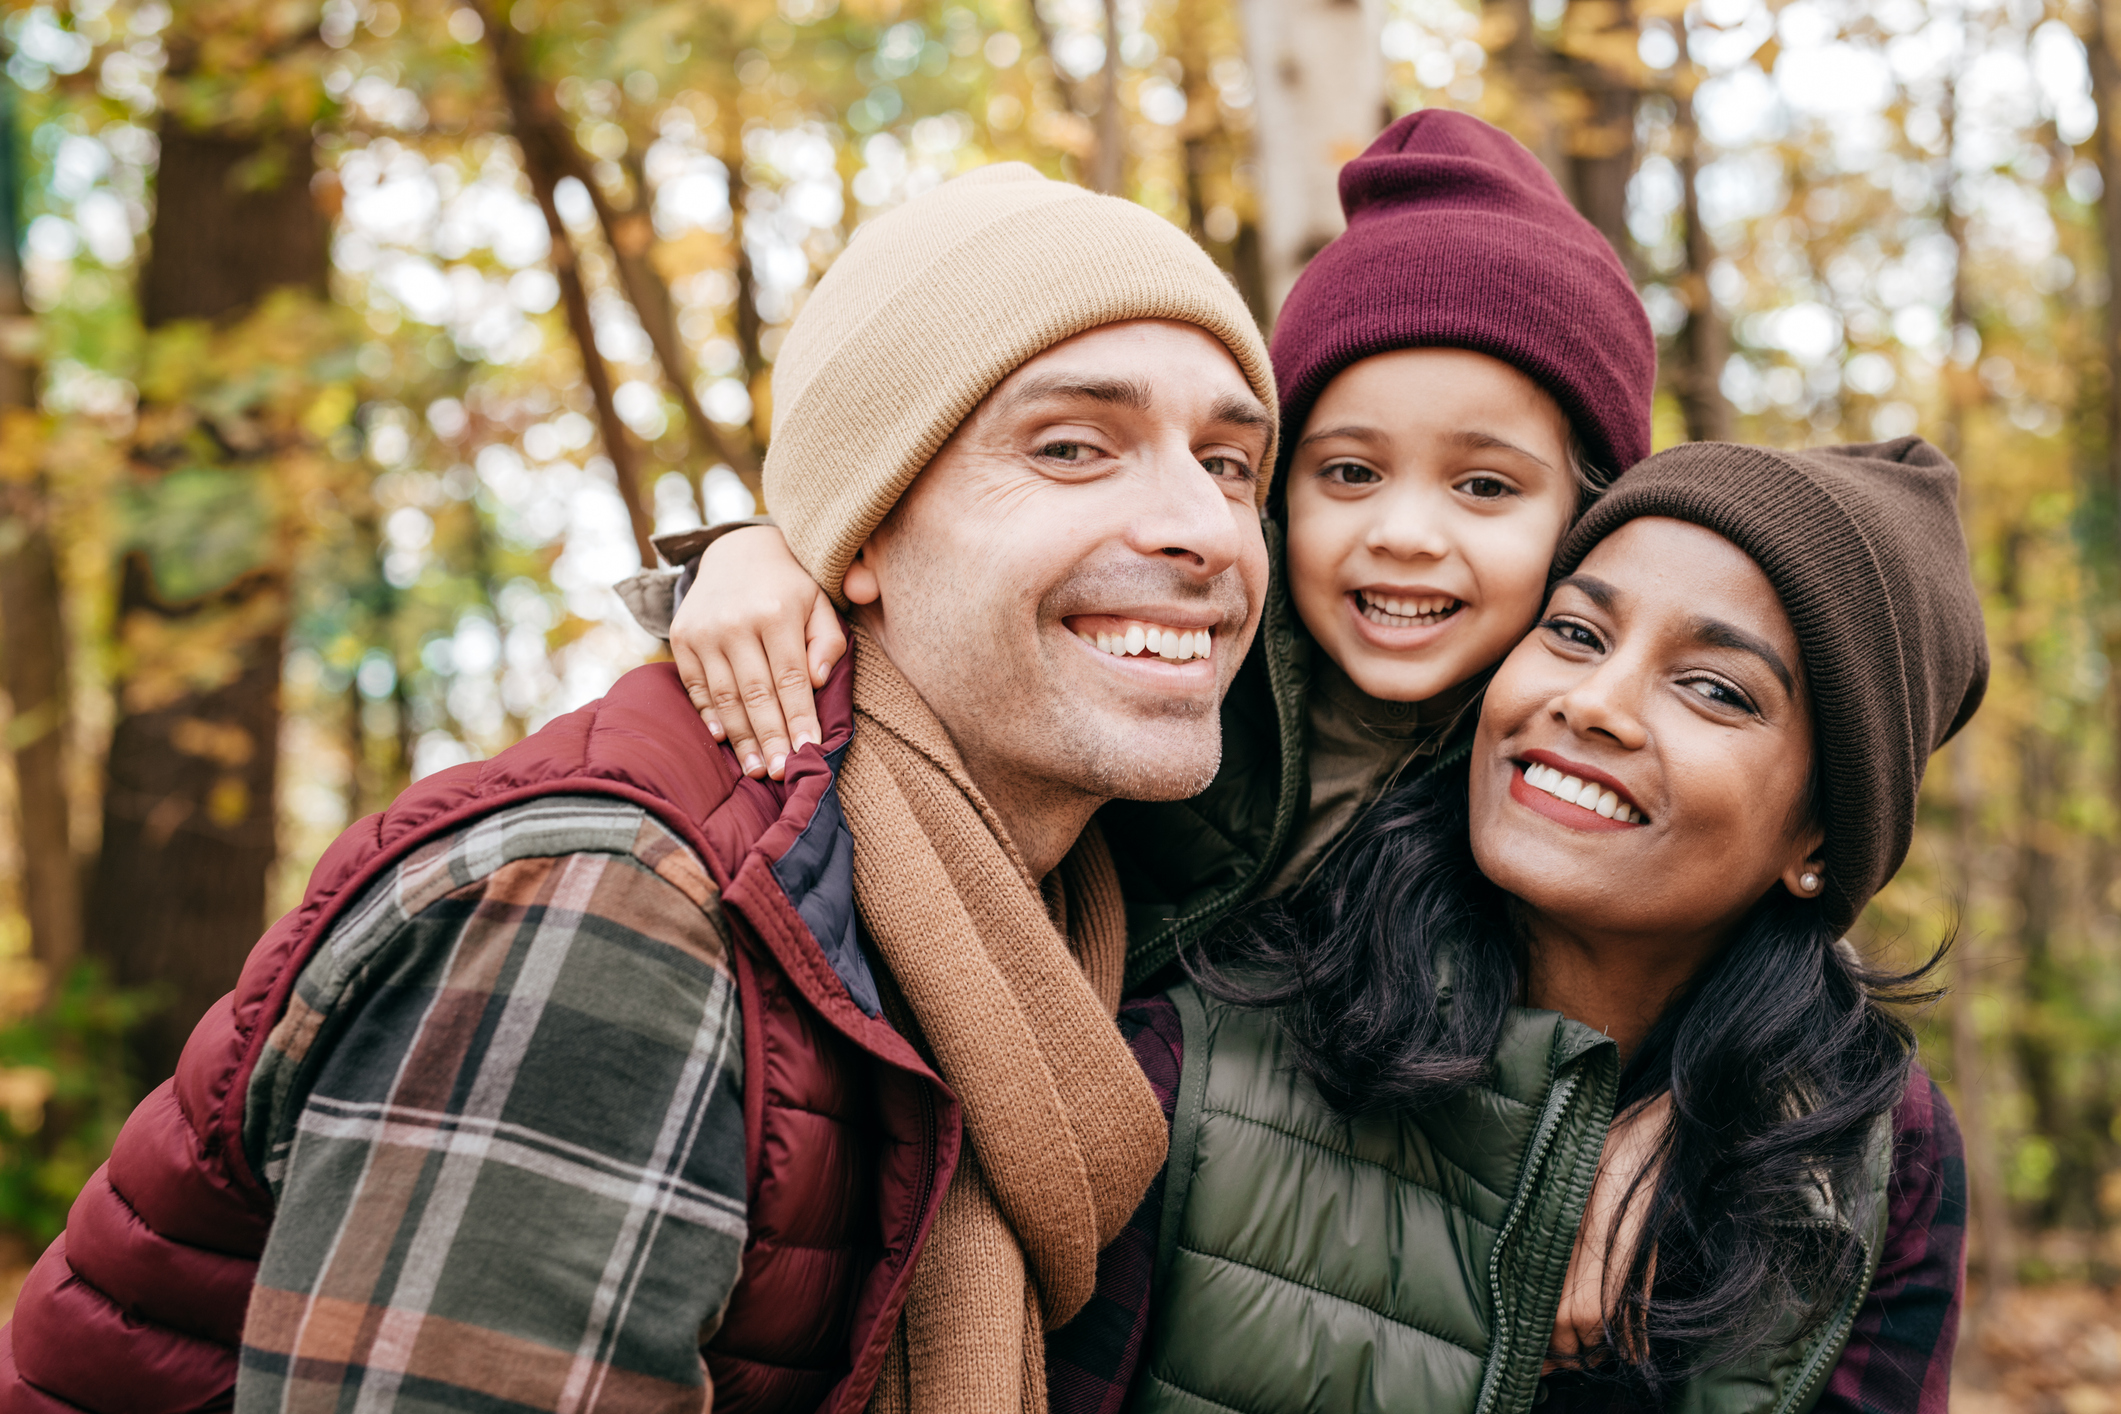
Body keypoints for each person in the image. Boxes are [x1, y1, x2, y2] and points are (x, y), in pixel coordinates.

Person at [0, 163, 1278, 1414]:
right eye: (1071, 447)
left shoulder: (1068, 917)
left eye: (1230, 463)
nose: (1206, 529)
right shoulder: (612, 911)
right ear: (865, 532)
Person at [656, 111, 1658, 988]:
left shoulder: (1578, 767)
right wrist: (764, 553)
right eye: (1348, 473)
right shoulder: (1188, 664)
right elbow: (955, 610)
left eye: (1484, 486)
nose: (1402, 533)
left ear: (1588, 518)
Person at [1141, 438, 1981, 1413]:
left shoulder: (1875, 1160)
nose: (1592, 703)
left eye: (1715, 688)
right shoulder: (1201, 1045)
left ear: (1822, 838)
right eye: (1577, 633)